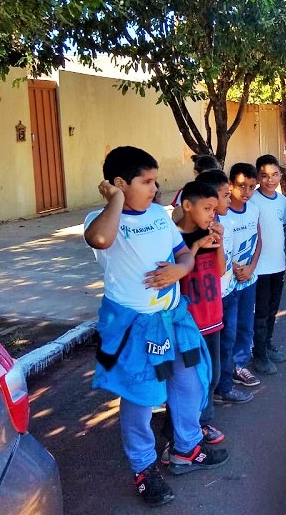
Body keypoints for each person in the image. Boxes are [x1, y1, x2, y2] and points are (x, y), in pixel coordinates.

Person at [84, 146, 228, 507]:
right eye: (146, 181)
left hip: (173, 317)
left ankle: (185, 448)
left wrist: (180, 270)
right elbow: (100, 240)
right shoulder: (100, 219)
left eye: (154, 179)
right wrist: (115, 200)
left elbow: (182, 254)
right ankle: (144, 467)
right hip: (136, 326)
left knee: (189, 381)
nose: (154, 187)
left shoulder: (160, 217)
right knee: (141, 397)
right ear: (118, 184)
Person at [160, 181, 227, 465]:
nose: (212, 214)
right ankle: (175, 436)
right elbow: (176, 277)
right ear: (187, 206)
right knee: (188, 384)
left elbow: (221, 270)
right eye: (207, 208)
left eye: (214, 209)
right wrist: (197, 246)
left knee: (211, 377)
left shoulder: (209, 233)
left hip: (213, 318)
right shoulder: (174, 240)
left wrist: (218, 244)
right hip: (189, 326)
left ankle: (199, 424)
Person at [206, 168, 255, 404]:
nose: (230, 199)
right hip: (209, 299)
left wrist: (235, 265)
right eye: (225, 195)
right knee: (211, 348)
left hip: (229, 292)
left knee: (227, 342)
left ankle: (223, 387)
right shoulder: (202, 227)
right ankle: (210, 393)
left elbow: (228, 254)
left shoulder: (223, 221)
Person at [248, 155, 286, 375]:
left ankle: (267, 345)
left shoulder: (282, 202)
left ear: (280, 176)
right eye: (264, 176)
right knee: (261, 312)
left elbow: (280, 226)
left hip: (278, 265)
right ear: (257, 177)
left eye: (274, 175)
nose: (269, 180)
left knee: (272, 310)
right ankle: (259, 354)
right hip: (259, 268)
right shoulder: (252, 200)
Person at [226, 163, 262, 389]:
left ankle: (239, 366)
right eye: (241, 186)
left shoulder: (254, 209)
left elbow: (259, 241)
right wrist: (234, 269)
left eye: (251, 186)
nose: (247, 192)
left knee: (245, 325)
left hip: (249, 278)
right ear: (230, 185)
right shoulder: (222, 213)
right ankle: (224, 370)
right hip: (228, 282)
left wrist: (250, 269)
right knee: (228, 327)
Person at [171, 154, 222, 224]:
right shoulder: (187, 191)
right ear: (196, 173)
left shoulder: (218, 190)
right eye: (206, 175)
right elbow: (176, 217)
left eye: (214, 175)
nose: (210, 179)